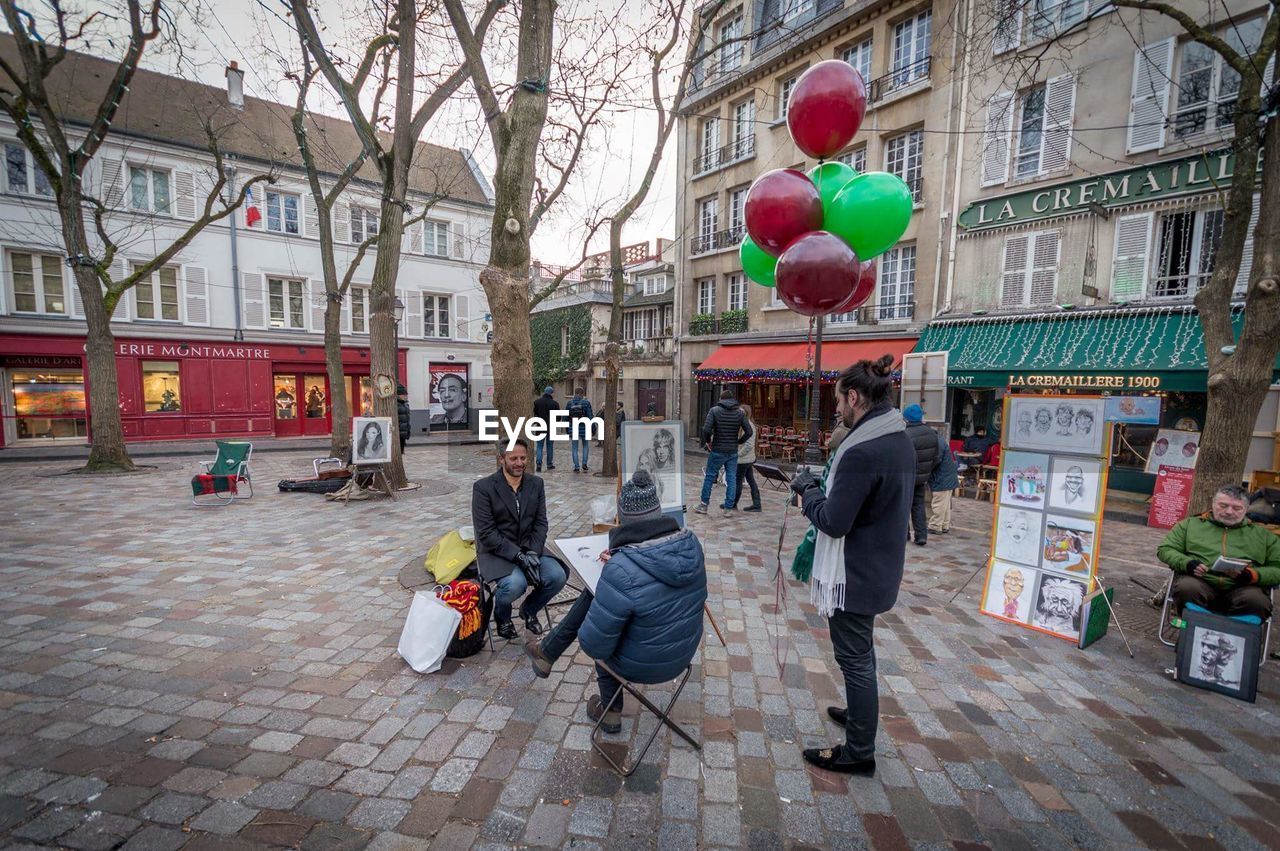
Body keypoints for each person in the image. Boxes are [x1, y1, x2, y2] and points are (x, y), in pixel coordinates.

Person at [788, 355, 914, 775]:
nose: (837, 408)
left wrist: (807, 491)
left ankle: (859, 749)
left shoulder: (862, 449)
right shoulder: (897, 435)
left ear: (855, 397)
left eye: (840, 399)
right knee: (861, 656)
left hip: (855, 574)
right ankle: (862, 715)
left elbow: (834, 521)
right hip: (877, 566)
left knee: (856, 661)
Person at [523, 470, 706, 732]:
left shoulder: (621, 569)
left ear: (623, 519)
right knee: (606, 595)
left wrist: (619, 567)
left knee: (602, 620)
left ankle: (610, 709)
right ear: (658, 511)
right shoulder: (691, 544)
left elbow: (593, 644)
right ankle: (546, 653)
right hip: (683, 653)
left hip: (643, 664)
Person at [471, 439, 569, 639]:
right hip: (497, 551)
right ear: (502, 460)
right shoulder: (483, 488)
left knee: (557, 576)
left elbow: (541, 523)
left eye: (523, 458)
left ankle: (530, 610)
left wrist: (532, 551)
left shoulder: (536, 483)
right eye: (513, 458)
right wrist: (517, 556)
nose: (519, 463)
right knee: (516, 584)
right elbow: (486, 533)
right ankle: (502, 615)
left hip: (530, 548)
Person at [1156, 484, 1280, 620]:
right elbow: (1165, 549)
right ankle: (1193, 632)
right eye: (1223, 505)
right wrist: (1188, 563)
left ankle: (1237, 636)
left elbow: (1277, 568)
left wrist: (1252, 575)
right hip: (1200, 582)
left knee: (1258, 602)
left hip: (1244, 587)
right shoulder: (1190, 525)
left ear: (1246, 509)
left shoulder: (1264, 536)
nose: (1229, 512)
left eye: (1237, 508)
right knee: (1186, 588)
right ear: (1213, 504)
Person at [697, 390, 753, 516]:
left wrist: (708, 441)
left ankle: (704, 505)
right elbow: (749, 432)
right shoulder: (739, 413)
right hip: (732, 451)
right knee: (731, 479)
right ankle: (728, 508)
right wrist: (739, 441)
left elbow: (706, 429)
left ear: (721, 399)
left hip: (717, 449)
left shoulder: (714, 411)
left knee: (710, 477)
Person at [902, 404, 939, 547]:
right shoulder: (931, 433)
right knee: (918, 506)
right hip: (922, 477)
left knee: (903, 506)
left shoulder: (905, 434)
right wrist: (927, 471)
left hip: (906, 476)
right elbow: (936, 457)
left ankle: (904, 534)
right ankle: (921, 536)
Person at [927, 428, 958, 535]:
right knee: (945, 504)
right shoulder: (940, 441)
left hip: (941, 477)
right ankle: (944, 525)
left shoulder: (937, 443)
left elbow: (936, 460)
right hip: (948, 477)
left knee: (939, 503)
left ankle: (935, 526)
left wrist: (926, 469)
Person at [732, 403, 762, 512]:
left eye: (740, 412)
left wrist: (738, 454)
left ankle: (733, 503)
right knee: (751, 480)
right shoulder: (745, 424)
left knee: (738, 481)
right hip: (748, 459)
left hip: (744, 459)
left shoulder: (748, 425)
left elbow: (748, 445)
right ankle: (757, 504)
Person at [566, 388, 594, 473]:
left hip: (573, 427)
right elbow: (590, 416)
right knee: (585, 445)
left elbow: (566, 417)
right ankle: (584, 464)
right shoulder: (586, 403)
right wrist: (593, 428)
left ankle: (576, 466)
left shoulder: (569, 403)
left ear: (575, 393)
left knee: (574, 448)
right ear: (582, 394)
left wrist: (567, 429)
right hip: (585, 427)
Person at [532, 386, 558, 472]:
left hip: (540, 426)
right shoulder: (555, 403)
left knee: (539, 446)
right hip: (551, 427)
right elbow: (558, 418)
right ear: (551, 393)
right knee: (550, 446)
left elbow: (535, 414)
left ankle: (539, 464)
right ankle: (549, 464)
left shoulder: (537, 402)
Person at [396, 384, 411, 455]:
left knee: (402, 450)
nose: (405, 396)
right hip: (399, 430)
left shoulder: (405, 403)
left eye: (406, 395)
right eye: (404, 395)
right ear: (398, 395)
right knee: (399, 451)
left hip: (404, 429)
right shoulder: (396, 404)